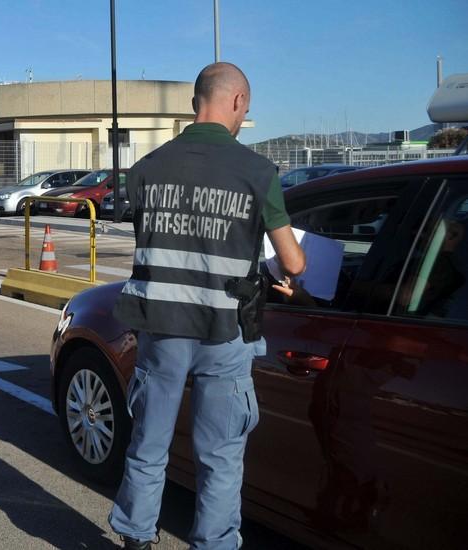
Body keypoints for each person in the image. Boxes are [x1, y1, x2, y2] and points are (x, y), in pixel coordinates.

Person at [109, 62, 306, 550]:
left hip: (162, 329)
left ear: (196, 100)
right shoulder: (258, 172)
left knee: (149, 442)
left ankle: (136, 537)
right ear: (237, 102)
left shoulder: (147, 168)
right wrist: (280, 274)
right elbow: (294, 262)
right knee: (219, 454)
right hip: (225, 331)